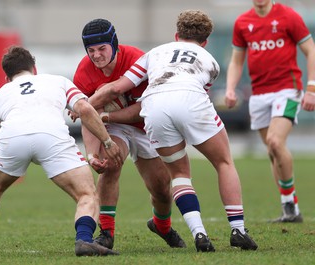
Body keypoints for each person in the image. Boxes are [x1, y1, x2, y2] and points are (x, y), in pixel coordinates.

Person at [88, 10, 258, 251]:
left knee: (179, 173)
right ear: (205, 41)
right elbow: (199, 91)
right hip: (190, 99)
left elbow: (115, 88)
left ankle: (199, 234)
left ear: (176, 35)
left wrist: (84, 107)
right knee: (223, 163)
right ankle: (238, 229)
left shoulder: (154, 53)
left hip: (154, 106)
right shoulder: (210, 60)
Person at [0, 46, 123, 257]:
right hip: (52, 136)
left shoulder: (0, 94)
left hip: (13, 137)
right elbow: (86, 109)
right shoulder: (57, 80)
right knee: (86, 194)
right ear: (34, 69)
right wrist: (107, 142)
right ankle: (84, 240)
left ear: (7, 77)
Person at [73, 18, 186, 250]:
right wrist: (92, 154)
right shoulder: (84, 71)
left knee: (162, 189)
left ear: (114, 44)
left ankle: (162, 226)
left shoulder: (137, 59)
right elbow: (87, 118)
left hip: (146, 126)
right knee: (110, 163)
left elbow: (143, 109)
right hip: (114, 129)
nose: (96, 55)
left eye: (102, 48)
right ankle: (106, 232)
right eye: (91, 50)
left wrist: (105, 116)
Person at [224, 0, 315, 223]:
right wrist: (230, 89)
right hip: (258, 95)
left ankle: (290, 206)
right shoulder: (242, 22)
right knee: (272, 151)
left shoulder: (289, 16)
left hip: (288, 91)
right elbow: (237, 61)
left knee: (275, 141)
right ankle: (289, 207)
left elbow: (310, 50)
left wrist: (311, 87)